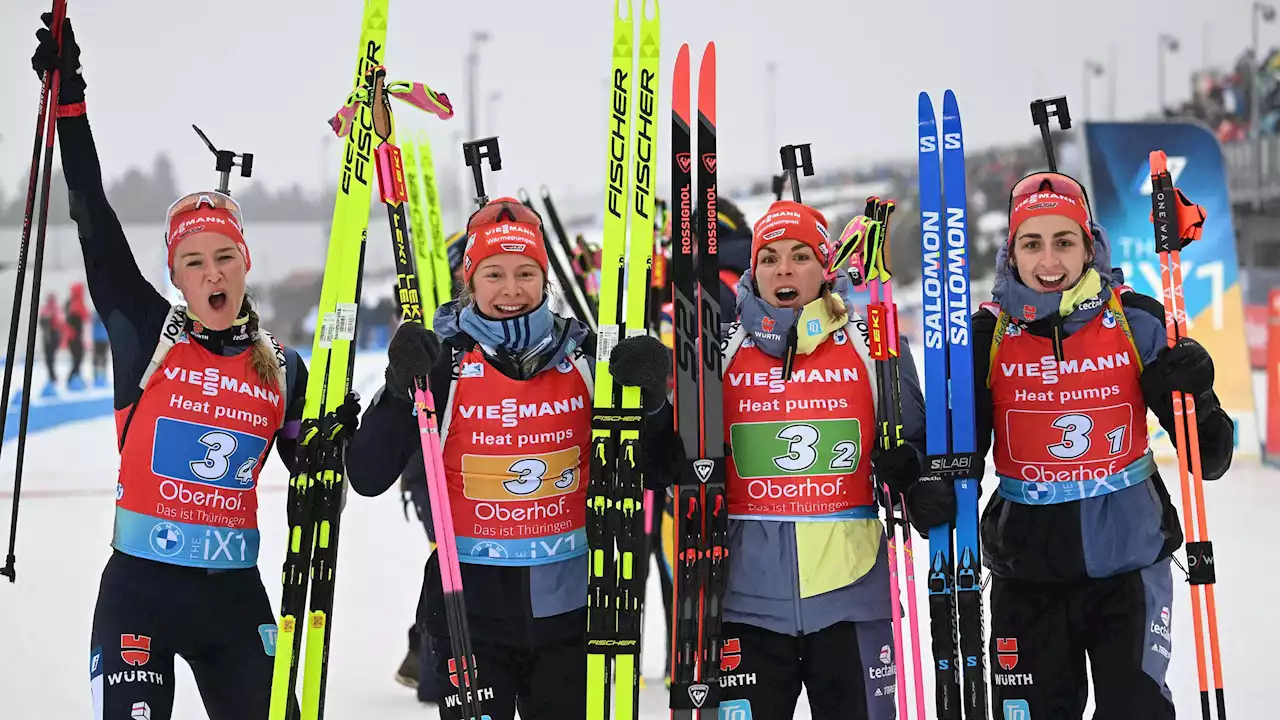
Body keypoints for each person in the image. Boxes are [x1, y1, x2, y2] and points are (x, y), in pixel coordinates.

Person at [32, 15, 321, 719]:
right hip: (141, 598)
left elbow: (316, 476)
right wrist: (69, 103)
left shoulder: (284, 369)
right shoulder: (145, 334)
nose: (211, 272)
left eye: (224, 257)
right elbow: (93, 218)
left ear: (245, 264)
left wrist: (333, 447)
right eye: (194, 262)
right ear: (177, 275)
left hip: (234, 601)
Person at [906, 172, 1235, 719]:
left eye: (1065, 241)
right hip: (1026, 573)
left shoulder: (1137, 321)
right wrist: (927, 486)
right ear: (1011, 252)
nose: (1049, 261)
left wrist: (1196, 391)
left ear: (1090, 245)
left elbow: (1213, 457)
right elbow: (958, 461)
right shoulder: (986, 336)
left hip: (1129, 566)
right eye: (1031, 243)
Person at [345, 197, 664, 720]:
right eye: (493, 274)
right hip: (467, 615)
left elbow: (659, 468)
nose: (511, 290)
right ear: (470, 280)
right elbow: (368, 474)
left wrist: (651, 401)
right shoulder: (440, 362)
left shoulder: (583, 358)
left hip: (570, 614)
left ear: (545, 280)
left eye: (525, 273)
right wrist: (400, 386)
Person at [643, 199, 926, 720]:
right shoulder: (718, 354)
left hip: (853, 597)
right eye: (769, 258)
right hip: (744, 604)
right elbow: (673, 465)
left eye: (800, 256)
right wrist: (653, 410)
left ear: (826, 267)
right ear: (753, 268)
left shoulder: (873, 348)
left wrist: (912, 469)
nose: (784, 270)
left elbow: (918, 450)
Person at [37, 291, 64, 397]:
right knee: (49, 358)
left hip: (52, 336)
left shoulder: (54, 310)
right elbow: (42, 322)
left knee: (50, 358)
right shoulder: (49, 309)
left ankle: (52, 377)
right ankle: (52, 376)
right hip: (49, 336)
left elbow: (59, 323)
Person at [65, 282, 90, 390]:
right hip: (74, 337)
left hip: (74, 337)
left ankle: (75, 379)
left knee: (78, 359)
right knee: (77, 359)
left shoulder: (71, 304)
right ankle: (72, 380)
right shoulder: (75, 305)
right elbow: (83, 317)